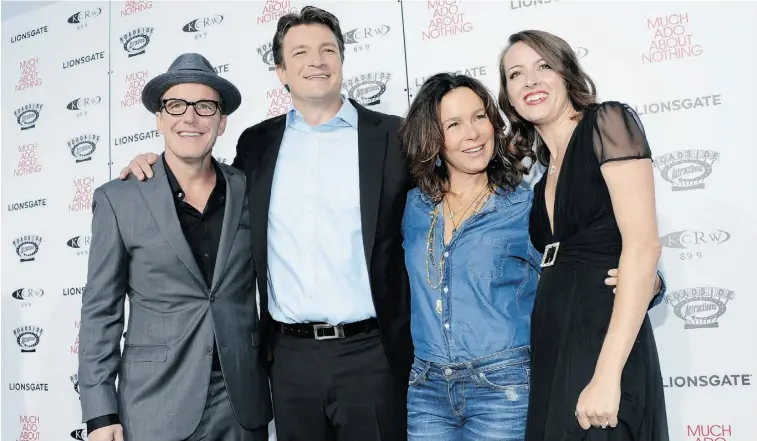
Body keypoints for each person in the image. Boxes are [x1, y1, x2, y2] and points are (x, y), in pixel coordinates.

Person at [117, 6, 411, 441]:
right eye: (301, 52)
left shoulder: (394, 136)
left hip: (370, 354)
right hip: (287, 360)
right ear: (281, 71)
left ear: (342, 61)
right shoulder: (257, 144)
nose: (317, 61)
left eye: (328, 49)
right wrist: (154, 168)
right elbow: (205, 181)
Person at [78, 53, 272, 441]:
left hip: (241, 404)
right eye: (176, 105)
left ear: (221, 121)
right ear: (160, 118)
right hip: (155, 403)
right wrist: (100, 413)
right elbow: (101, 310)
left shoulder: (251, 188)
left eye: (204, 106)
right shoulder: (120, 199)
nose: (190, 117)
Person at [499, 30, 669, 440]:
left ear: (566, 72)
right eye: (515, 74)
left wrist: (608, 375)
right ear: (508, 96)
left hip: (603, 338)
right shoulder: (541, 177)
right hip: (554, 341)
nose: (530, 81)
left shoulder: (608, 124)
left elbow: (643, 244)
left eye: (543, 66)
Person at [399, 72, 539, 440]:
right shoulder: (414, 205)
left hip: (503, 385)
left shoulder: (523, 207)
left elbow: (575, 275)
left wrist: (647, 283)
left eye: (480, 117)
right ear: (432, 138)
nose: (473, 133)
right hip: (427, 387)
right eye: (454, 124)